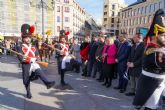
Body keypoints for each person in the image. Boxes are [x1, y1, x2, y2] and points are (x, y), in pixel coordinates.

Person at [133, 9, 165, 110]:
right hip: (153, 84)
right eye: (163, 35)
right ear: (155, 36)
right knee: (150, 107)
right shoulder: (156, 50)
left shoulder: (156, 47)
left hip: (157, 82)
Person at [17, 24, 55, 99]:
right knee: (25, 81)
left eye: (29, 37)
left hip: (34, 63)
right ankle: (28, 91)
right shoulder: (20, 47)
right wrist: (29, 59)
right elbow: (21, 58)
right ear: (23, 38)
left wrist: (36, 59)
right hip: (26, 65)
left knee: (39, 70)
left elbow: (37, 54)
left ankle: (47, 83)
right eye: (26, 37)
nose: (28, 39)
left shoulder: (33, 46)